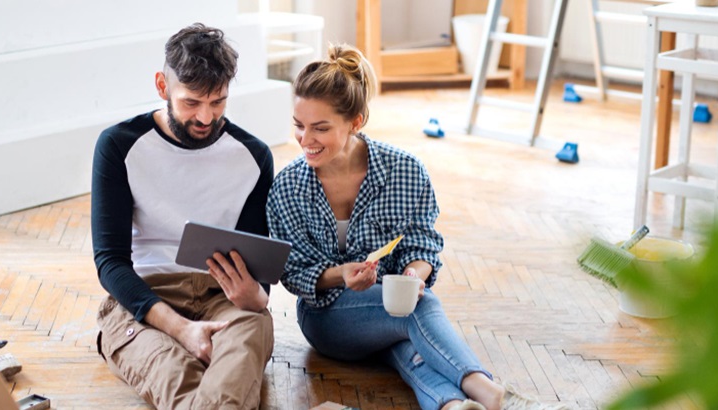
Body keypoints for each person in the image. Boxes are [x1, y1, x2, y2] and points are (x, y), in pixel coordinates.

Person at [266, 44, 568, 410]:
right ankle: (496, 396)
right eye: (299, 126)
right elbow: (292, 273)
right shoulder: (288, 186)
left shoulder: (405, 171)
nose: (305, 140)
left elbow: (422, 244)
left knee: (410, 348)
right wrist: (340, 275)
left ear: (356, 122)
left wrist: (414, 274)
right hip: (326, 319)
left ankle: (453, 406)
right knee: (416, 312)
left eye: (320, 128)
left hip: (391, 311)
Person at [91, 23, 274, 410]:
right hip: (143, 299)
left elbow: (256, 263)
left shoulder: (254, 157)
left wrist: (255, 295)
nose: (206, 118)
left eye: (218, 102)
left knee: (251, 330)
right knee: (178, 377)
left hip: (222, 297)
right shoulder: (119, 146)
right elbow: (110, 262)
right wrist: (181, 330)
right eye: (191, 102)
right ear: (162, 86)